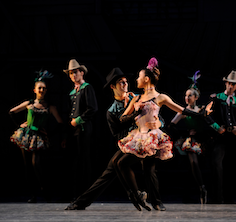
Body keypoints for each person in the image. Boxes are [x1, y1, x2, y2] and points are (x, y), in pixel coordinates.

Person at [65, 67, 165, 211]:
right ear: (113, 86)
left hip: (148, 139)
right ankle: (80, 202)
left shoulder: (138, 98)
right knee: (109, 171)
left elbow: (158, 117)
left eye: (126, 82)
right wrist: (133, 124)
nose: (125, 84)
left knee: (149, 168)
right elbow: (118, 136)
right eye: (121, 82)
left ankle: (157, 202)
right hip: (129, 144)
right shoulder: (111, 111)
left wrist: (158, 123)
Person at [116, 57, 203, 210]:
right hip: (138, 136)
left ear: (147, 79)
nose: (137, 79)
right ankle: (140, 195)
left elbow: (181, 109)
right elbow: (122, 118)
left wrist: (202, 115)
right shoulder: (136, 98)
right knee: (125, 164)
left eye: (139, 77)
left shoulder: (159, 97)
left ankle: (156, 202)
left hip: (152, 137)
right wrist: (134, 112)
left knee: (148, 169)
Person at [10, 70, 65, 203]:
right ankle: (33, 194)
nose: (42, 90)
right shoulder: (29, 104)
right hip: (26, 136)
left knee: (37, 164)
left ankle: (44, 192)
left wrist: (49, 134)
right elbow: (12, 112)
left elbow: (60, 123)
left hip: (38, 137)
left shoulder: (50, 107)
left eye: (44, 88)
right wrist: (21, 125)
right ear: (34, 90)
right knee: (27, 165)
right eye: (40, 88)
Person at [205, 70, 236, 203]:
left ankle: (229, 198)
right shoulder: (216, 98)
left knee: (231, 167)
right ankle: (217, 198)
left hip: (234, 138)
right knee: (217, 167)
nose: (230, 86)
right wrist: (217, 128)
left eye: (233, 84)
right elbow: (206, 115)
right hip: (220, 138)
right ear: (226, 83)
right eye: (229, 83)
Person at [168, 71, 207, 204]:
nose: (186, 97)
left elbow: (209, 124)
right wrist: (186, 133)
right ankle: (201, 188)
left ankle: (199, 189)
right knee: (192, 162)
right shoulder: (183, 112)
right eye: (185, 95)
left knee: (193, 165)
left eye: (189, 95)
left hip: (203, 140)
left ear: (196, 97)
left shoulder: (201, 109)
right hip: (190, 141)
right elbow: (171, 125)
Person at [63, 59, 98, 198]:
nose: (73, 75)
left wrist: (78, 120)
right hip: (73, 131)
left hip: (83, 128)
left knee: (84, 158)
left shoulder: (87, 88)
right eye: (71, 73)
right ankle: (75, 191)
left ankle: (86, 191)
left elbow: (92, 108)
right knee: (75, 159)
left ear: (81, 72)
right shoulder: (72, 92)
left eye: (75, 72)